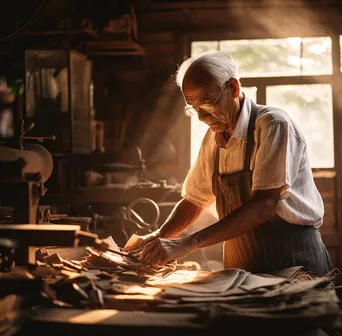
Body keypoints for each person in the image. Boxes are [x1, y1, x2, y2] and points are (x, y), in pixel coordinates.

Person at [124, 50, 333, 277]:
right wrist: (159, 236)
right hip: (243, 268)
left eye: (206, 103)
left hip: (292, 262)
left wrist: (187, 243)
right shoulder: (214, 138)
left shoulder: (273, 125)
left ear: (233, 88)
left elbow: (263, 206)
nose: (202, 117)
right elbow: (194, 200)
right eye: (193, 108)